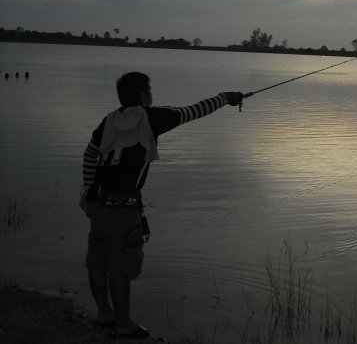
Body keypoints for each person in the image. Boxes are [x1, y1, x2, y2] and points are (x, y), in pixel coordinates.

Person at [79, 72, 244, 338]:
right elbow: (194, 111)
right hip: (123, 207)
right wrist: (227, 97)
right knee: (121, 266)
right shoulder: (153, 117)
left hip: (99, 203)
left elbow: (90, 154)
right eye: (149, 90)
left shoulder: (109, 120)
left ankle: (104, 314)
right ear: (143, 95)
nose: (151, 94)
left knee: (98, 261)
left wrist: (87, 190)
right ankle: (123, 324)